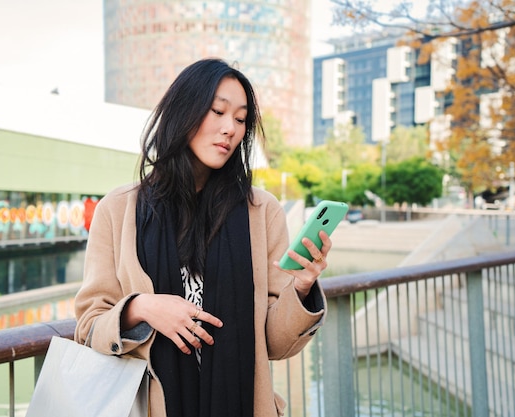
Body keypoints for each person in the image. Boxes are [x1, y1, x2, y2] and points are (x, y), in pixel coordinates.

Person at [74, 58, 331, 417]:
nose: (230, 128)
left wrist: (301, 288)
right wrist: (143, 307)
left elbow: (273, 344)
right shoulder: (119, 209)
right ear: (184, 112)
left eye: (240, 119)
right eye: (217, 111)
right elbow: (88, 326)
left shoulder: (262, 211)